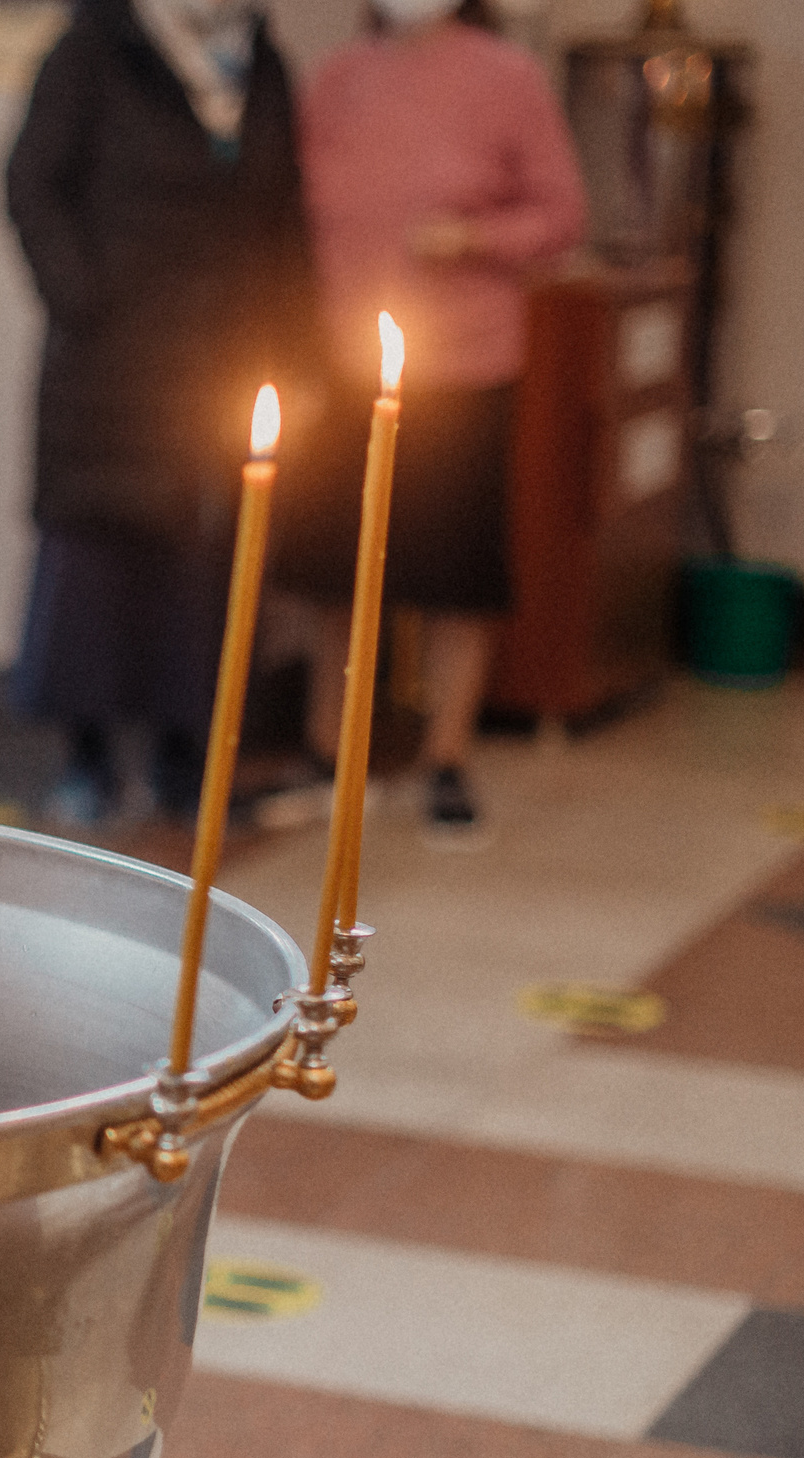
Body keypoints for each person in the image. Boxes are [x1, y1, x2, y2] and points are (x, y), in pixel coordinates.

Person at [268, 0, 584, 840]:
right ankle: (329, 748)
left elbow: (561, 216)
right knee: (335, 562)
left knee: (453, 568)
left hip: (462, 366)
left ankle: (446, 755)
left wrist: (471, 238)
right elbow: (293, 209)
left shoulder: (506, 76)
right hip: (342, 360)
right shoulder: (339, 78)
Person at [3, 0, 316, 823]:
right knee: (97, 567)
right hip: (112, 364)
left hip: (224, 362)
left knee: (203, 570)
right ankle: (89, 760)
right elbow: (31, 182)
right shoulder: (95, 49)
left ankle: (190, 764)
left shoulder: (263, 66)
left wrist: (297, 353)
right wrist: (84, 298)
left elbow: (286, 218)